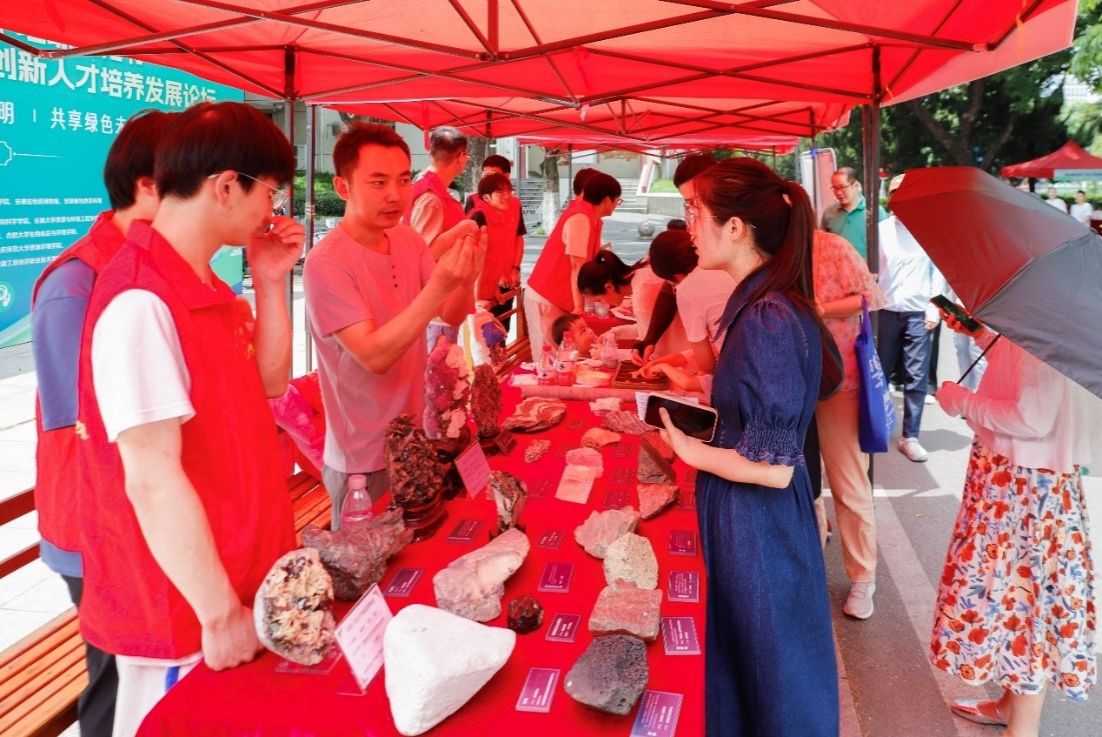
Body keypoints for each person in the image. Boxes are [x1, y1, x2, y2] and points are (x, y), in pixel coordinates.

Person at [73, 101, 303, 735]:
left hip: (240, 576)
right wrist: (218, 612)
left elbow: (268, 384)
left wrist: (270, 280)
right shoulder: (140, 299)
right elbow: (151, 477)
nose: (271, 209)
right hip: (187, 612)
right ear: (226, 186)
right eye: (269, 192)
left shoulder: (202, 285)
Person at [658, 158, 838, 737]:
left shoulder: (768, 316)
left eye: (696, 213)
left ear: (735, 227)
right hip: (753, 519)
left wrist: (689, 450)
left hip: (758, 524)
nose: (690, 227)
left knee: (771, 669)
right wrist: (706, 392)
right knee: (754, 663)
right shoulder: (764, 303)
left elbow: (773, 469)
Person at [30, 109, 175, 737]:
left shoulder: (157, 267)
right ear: (148, 187)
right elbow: (83, 428)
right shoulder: (77, 281)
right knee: (115, 685)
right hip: (98, 527)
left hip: (144, 515)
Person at [931, 314, 1101, 737]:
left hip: (1023, 485)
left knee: (1023, 601)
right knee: (1016, 595)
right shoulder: (1064, 312)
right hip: (1028, 481)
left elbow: (1032, 417)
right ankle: (1010, 707)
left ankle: (1021, 730)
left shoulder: (1051, 318)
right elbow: (1032, 372)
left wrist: (960, 399)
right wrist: (981, 334)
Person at [304, 123, 481, 526]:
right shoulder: (326, 262)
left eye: (403, 180)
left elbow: (450, 314)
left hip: (415, 435)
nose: (395, 195)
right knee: (368, 561)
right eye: (378, 182)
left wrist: (466, 275)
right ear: (343, 187)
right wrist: (439, 286)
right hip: (362, 458)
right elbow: (374, 356)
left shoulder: (407, 239)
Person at [809, 229, 887, 620]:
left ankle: (862, 576)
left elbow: (871, 297)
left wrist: (819, 310)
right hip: (791, 380)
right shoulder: (767, 249)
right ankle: (812, 546)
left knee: (848, 483)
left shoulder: (831, 246)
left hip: (840, 380)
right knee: (799, 479)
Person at [878, 175, 946, 463]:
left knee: (916, 376)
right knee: (879, 372)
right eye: (893, 192)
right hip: (886, 310)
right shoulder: (881, 230)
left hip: (918, 312)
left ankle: (911, 436)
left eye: (903, 192)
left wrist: (934, 307)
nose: (898, 198)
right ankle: (878, 427)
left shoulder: (928, 230)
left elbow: (938, 271)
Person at [523, 171, 620, 352]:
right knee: (551, 356)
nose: (616, 205)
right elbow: (577, 266)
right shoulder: (580, 218)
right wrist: (579, 307)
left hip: (561, 297)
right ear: (607, 200)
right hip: (548, 296)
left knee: (566, 355)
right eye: (617, 200)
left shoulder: (592, 219)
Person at [577, 248, 690, 359]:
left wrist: (608, 353)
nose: (603, 304)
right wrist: (615, 333)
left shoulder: (643, 292)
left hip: (685, 355)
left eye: (599, 300)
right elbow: (648, 329)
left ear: (609, 287)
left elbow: (650, 351)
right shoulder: (640, 274)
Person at [468, 172, 525, 329]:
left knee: (495, 337)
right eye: (500, 192)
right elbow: (473, 261)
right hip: (474, 299)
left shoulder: (498, 217)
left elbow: (493, 258)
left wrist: (493, 289)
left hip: (487, 295)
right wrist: (475, 299)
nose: (507, 196)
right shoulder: (479, 216)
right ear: (486, 198)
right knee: (478, 340)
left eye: (509, 191)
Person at [822, 167, 883, 259]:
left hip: (867, 267)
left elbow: (885, 247)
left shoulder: (875, 212)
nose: (838, 193)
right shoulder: (828, 213)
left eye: (842, 187)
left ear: (856, 185)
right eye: (835, 188)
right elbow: (822, 245)